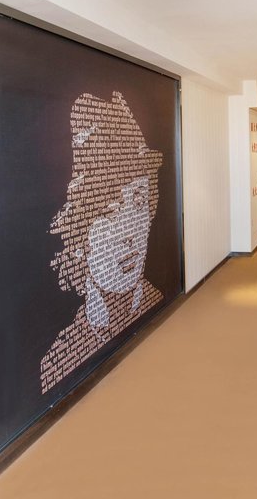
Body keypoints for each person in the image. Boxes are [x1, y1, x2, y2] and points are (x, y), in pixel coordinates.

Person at [40, 91, 163, 394]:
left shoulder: (156, 296)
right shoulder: (60, 356)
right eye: (109, 211)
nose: (130, 232)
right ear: (78, 237)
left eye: (138, 200)